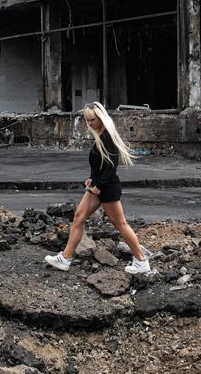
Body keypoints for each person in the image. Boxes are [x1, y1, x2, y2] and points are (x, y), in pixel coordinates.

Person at [45, 101, 150, 275]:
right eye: (87, 120)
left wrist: (98, 186)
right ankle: (65, 258)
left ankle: (141, 260)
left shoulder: (108, 137)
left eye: (92, 119)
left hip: (106, 188)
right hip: (97, 186)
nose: (90, 124)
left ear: (101, 117)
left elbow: (110, 168)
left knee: (120, 224)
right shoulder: (101, 136)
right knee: (78, 218)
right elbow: (100, 166)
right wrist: (91, 179)